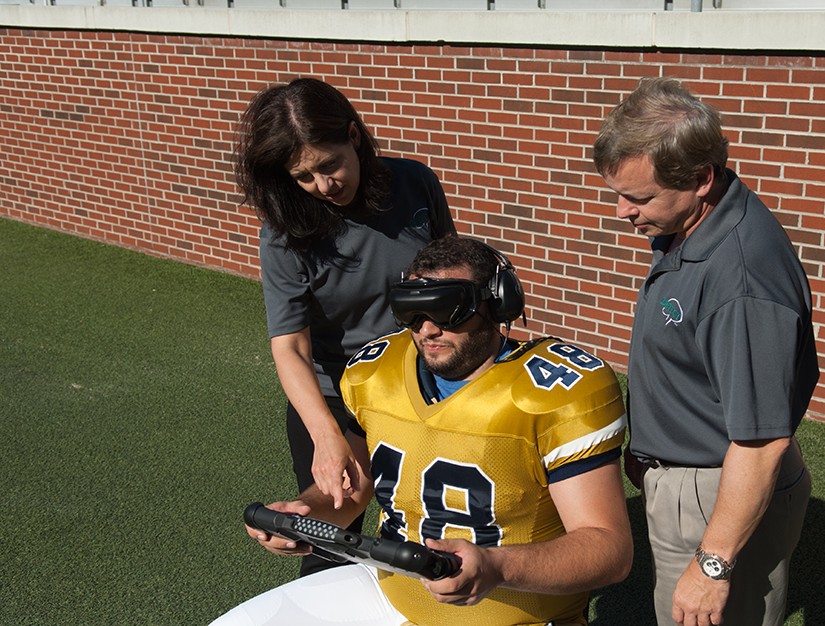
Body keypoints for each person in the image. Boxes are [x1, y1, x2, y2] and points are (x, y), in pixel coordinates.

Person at [213, 236, 633, 626]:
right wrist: (307, 512)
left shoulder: (558, 391)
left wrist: (495, 566)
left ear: (498, 302)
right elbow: (353, 489)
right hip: (389, 592)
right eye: (413, 312)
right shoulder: (375, 372)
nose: (427, 330)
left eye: (447, 310)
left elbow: (608, 549)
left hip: (513, 615)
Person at [592, 76, 818, 626]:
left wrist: (712, 566)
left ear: (700, 178)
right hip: (692, 480)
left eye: (638, 197)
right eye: (617, 193)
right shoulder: (692, 225)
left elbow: (761, 442)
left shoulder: (740, 281)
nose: (622, 211)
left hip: (716, 493)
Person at [235, 78, 456, 575]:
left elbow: (452, 276)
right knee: (331, 542)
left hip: (423, 383)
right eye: (304, 176)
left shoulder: (415, 182)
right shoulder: (283, 231)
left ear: (354, 136)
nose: (323, 186)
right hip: (338, 396)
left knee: (440, 532)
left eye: (329, 165)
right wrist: (327, 436)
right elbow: (290, 346)